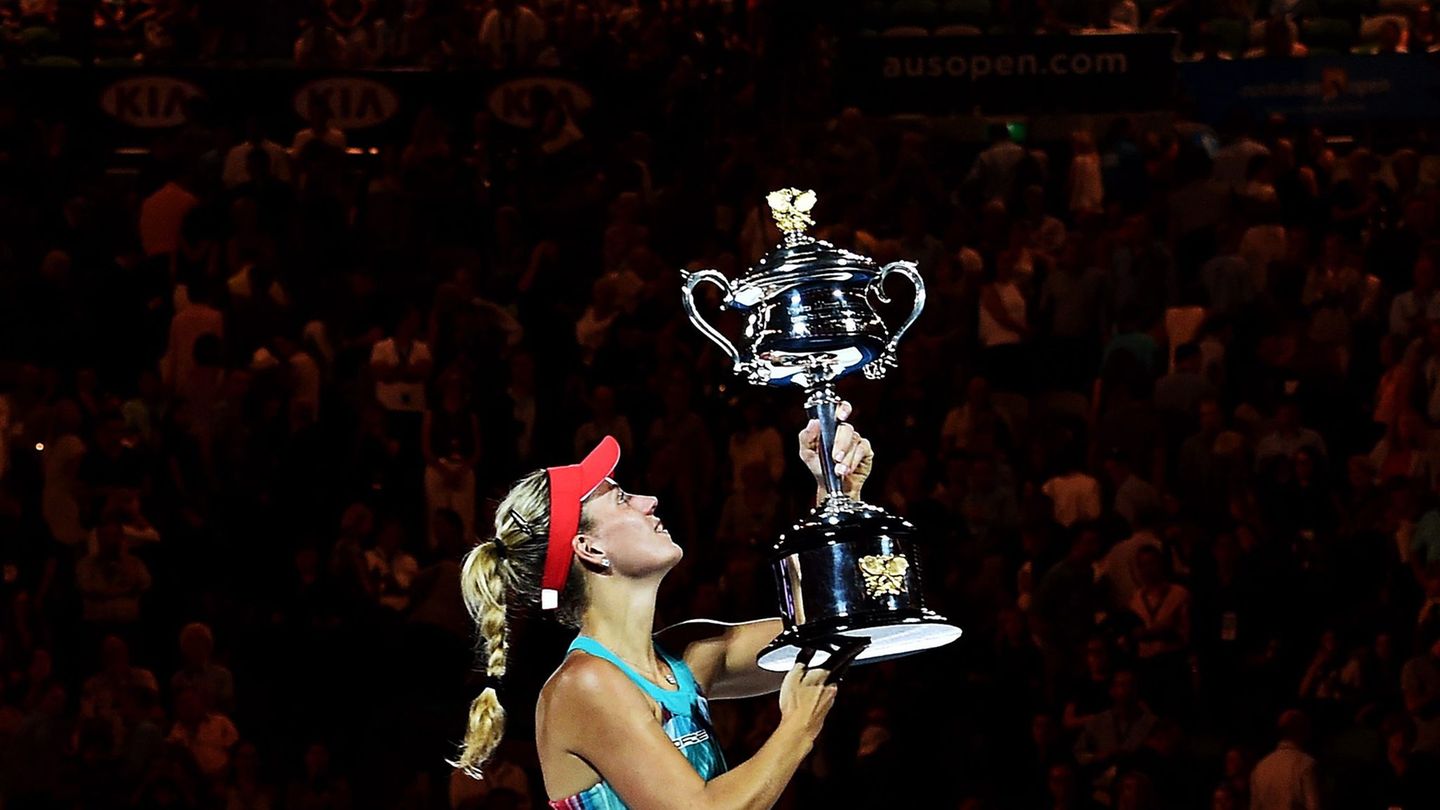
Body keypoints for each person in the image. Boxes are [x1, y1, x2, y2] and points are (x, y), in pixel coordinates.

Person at [451, 402, 876, 807]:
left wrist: (835, 492)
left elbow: (830, 622)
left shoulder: (687, 656)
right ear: (589, 547)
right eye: (621, 498)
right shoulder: (584, 685)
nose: (649, 501)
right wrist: (799, 726)